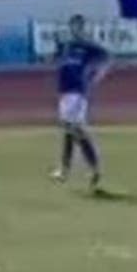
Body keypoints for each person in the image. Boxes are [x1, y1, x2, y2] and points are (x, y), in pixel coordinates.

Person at [50, 15, 110, 189]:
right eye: (73, 26)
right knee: (69, 131)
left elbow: (105, 57)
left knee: (75, 129)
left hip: (77, 91)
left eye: (79, 26)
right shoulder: (67, 46)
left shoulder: (88, 46)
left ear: (83, 28)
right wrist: (55, 53)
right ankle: (65, 169)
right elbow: (55, 60)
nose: (76, 29)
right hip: (64, 91)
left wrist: (98, 75)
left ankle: (94, 168)